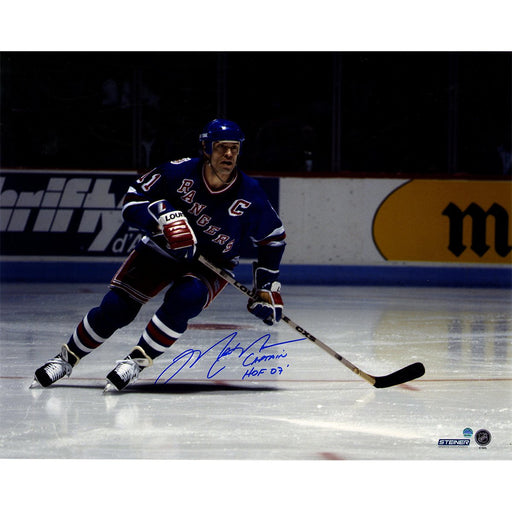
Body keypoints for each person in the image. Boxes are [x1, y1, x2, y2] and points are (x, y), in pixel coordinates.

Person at [31, 119, 286, 392]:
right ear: (206, 147)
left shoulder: (250, 194)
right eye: (222, 147)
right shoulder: (177, 172)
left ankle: (137, 361)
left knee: (185, 299)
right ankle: (66, 358)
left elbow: (273, 238)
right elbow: (131, 202)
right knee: (116, 309)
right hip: (161, 249)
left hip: (211, 264)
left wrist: (267, 285)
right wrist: (160, 216)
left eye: (234, 149)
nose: (228, 155)